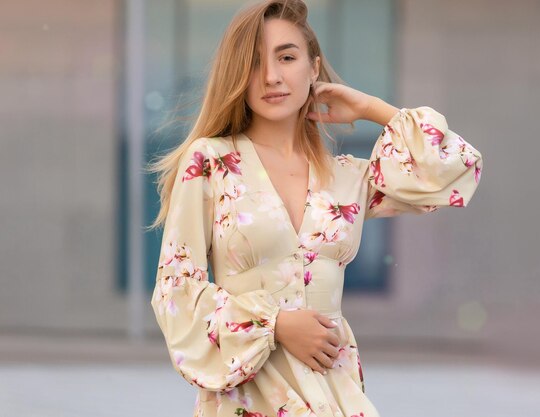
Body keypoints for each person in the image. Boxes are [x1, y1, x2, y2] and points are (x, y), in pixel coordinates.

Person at [146, 0, 483, 416]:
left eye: (287, 57)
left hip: (334, 392)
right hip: (249, 396)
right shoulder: (211, 162)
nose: (271, 76)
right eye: (253, 63)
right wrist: (276, 325)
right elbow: (176, 291)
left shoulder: (349, 179)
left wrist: (370, 108)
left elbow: (455, 170)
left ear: (313, 68)